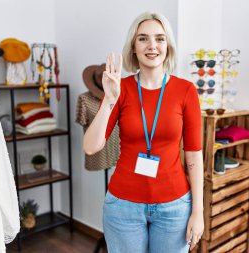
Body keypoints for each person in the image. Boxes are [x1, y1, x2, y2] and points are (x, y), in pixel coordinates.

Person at [83, 12, 204, 253]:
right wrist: (109, 99)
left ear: (167, 45)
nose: (152, 46)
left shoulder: (186, 91)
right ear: (133, 47)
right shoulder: (121, 89)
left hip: (174, 207)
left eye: (159, 39)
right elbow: (90, 146)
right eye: (143, 39)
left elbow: (193, 156)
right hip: (123, 206)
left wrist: (198, 212)